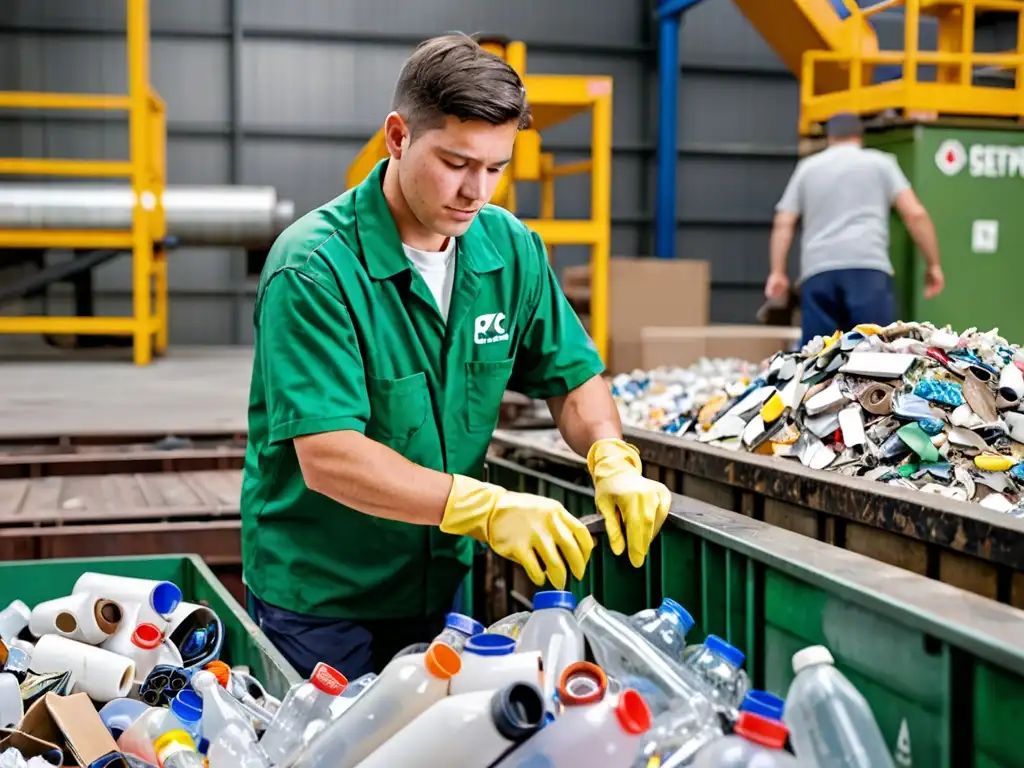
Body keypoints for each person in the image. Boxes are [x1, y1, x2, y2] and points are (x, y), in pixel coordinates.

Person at [239, 33, 672, 681]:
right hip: (323, 599)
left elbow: (573, 376)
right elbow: (327, 455)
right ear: (396, 137)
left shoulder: (510, 250)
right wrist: (486, 508)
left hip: (440, 585)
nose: (478, 192)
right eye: (456, 162)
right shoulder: (314, 268)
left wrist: (610, 455)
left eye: (496, 168)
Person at [764, 112, 944, 346]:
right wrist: (934, 265)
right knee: (875, 355)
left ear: (830, 137)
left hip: (819, 273)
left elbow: (783, 222)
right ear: (860, 136)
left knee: (817, 358)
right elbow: (915, 214)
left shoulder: (808, 168)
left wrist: (777, 272)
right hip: (868, 271)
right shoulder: (881, 163)